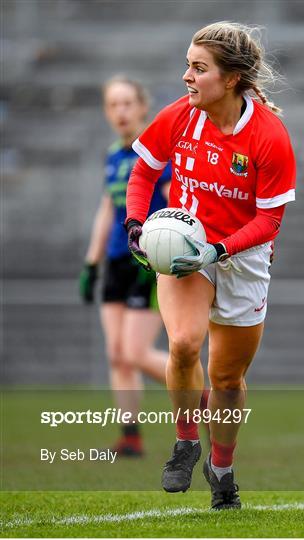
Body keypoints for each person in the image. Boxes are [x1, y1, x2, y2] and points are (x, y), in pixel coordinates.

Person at [125, 22, 296, 509]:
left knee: (225, 380)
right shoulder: (179, 116)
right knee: (182, 344)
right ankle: (185, 442)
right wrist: (137, 224)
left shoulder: (268, 136)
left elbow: (270, 220)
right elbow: (144, 172)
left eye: (199, 68)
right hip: (185, 250)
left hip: (241, 258)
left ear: (232, 79)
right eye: (187, 65)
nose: (187, 77)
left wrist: (218, 251)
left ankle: (221, 468)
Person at [79, 75, 171, 456]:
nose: (120, 111)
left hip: (146, 264)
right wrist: (91, 263)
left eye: (127, 103)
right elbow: (107, 209)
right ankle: (130, 435)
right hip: (117, 261)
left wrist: (160, 253)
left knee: (135, 352)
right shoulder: (113, 155)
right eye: (113, 104)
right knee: (116, 354)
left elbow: (172, 206)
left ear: (142, 107)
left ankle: (203, 396)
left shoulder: (154, 152)